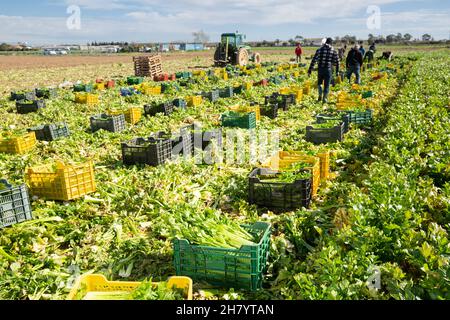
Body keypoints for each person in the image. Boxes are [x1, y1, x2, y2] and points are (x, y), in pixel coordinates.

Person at [308, 37, 340, 103]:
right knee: (327, 85)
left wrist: (310, 70)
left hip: (320, 69)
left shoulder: (319, 50)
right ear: (331, 43)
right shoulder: (333, 51)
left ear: (325, 42)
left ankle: (320, 95)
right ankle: (324, 98)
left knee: (319, 83)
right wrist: (337, 71)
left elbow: (314, 60)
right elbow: (337, 62)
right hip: (328, 70)